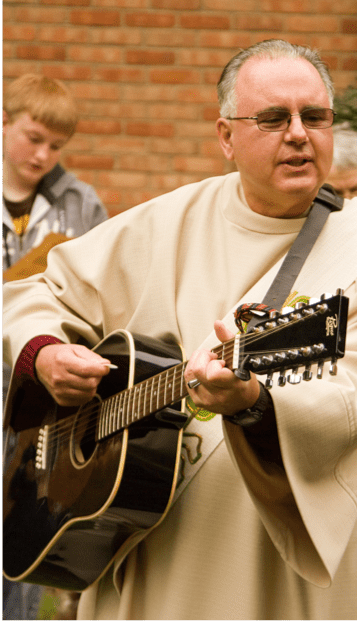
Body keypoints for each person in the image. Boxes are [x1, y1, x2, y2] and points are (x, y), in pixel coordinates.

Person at [2, 40, 357, 620]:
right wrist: (45, 354)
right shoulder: (166, 222)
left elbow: (353, 401)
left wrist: (255, 402)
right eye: (273, 118)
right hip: (151, 547)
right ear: (225, 137)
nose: (298, 133)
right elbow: (33, 291)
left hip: (278, 571)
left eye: (314, 117)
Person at [2, 74, 107, 622]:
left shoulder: (82, 205)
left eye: (57, 147)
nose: (43, 155)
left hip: (37, 412)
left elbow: (102, 297)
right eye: (33, 137)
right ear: (4, 121)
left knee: (20, 552)